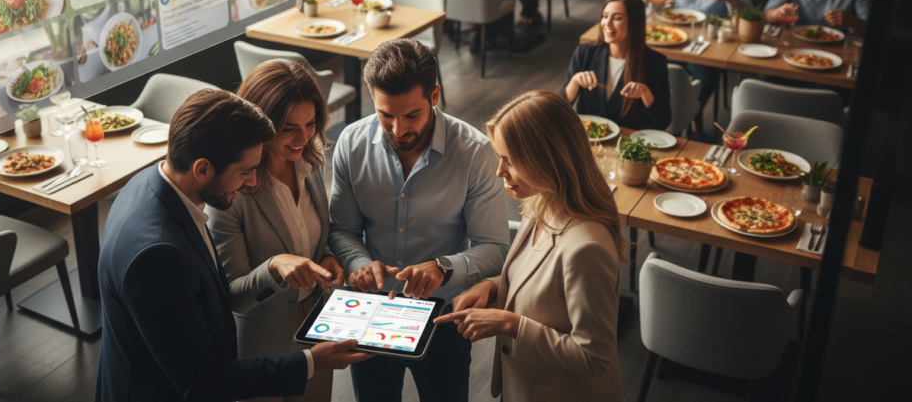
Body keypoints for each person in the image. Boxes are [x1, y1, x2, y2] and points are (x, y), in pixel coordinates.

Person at [96, 89, 369, 401]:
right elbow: (202, 383)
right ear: (202, 169)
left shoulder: (147, 182)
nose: (253, 181)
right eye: (245, 171)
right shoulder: (159, 257)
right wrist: (312, 361)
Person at [329, 38, 509, 402]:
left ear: (435, 95)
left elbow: (495, 247)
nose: (398, 130)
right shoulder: (350, 143)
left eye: (411, 115)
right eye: (385, 115)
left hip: (442, 317)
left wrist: (444, 267)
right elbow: (343, 230)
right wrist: (359, 263)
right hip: (371, 307)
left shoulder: (474, 153)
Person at [435, 89, 624, 402]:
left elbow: (596, 356)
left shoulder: (586, 248)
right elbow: (538, 279)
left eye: (509, 160)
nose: (499, 172)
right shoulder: (544, 201)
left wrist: (512, 324)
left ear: (545, 159)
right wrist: (493, 287)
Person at [205, 60, 342, 402]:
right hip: (261, 342)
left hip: (317, 322)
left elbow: (318, 234)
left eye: (311, 124)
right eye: (288, 128)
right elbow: (234, 295)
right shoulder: (233, 190)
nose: (303, 137)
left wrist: (327, 255)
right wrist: (273, 268)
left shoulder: (310, 162)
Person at [563, 0, 671, 131]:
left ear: (634, 22)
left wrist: (645, 93)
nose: (607, 24)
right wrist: (575, 82)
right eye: (605, 16)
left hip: (629, 143)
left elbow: (663, 121)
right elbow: (558, 109)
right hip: (586, 141)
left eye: (617, 18)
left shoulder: (655, 62)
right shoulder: (584, 53)